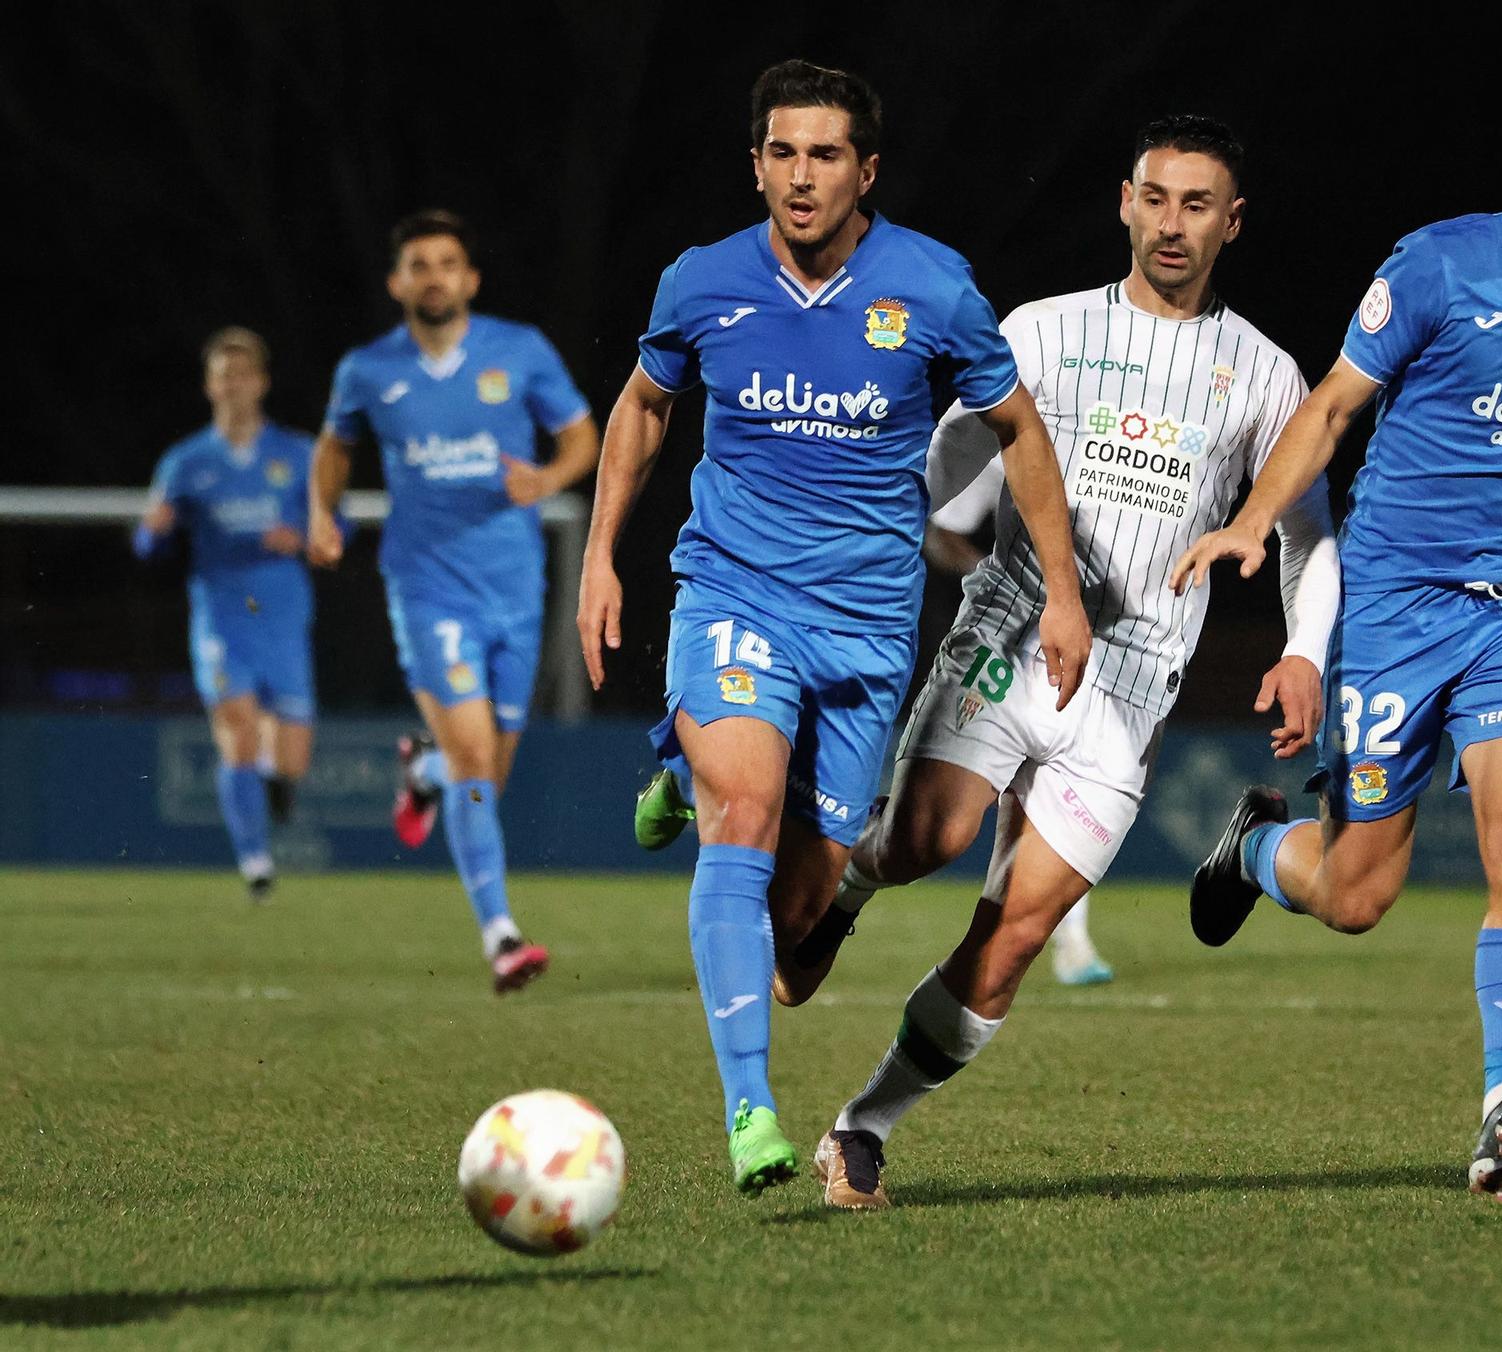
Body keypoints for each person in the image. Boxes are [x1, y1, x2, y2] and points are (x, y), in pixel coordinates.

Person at [798, 116, 1340, 1211]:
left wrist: (1300, 652)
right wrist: (915, 511)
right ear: (1124, 203)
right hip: (1006, 628)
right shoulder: (1042, 331)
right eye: (1155, 197)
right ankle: (853, 879)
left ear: (1229, 223)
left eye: (1197, 205)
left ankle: (862, 1126)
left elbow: (1305, 534)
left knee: (1010, 943)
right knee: (923, 841)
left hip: (1130, 690)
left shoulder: (1266, 375)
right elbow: (956, 441)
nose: (1171, 222)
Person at [576, 59, 1088, 1198]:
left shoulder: (935, 290)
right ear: (754, 163)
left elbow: (1021, 432)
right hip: (735, 592)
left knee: (798, 922)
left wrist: (1061, 586)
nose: (800, 178)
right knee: (742, 815)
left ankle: (677, 753)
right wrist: (600, 554)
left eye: (823, 155)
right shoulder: (702, 282)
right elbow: (647, 405)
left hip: (863, 628)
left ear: (865, 170)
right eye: (780, 153)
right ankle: (750, 1107)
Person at [1170, 50, 1502, 1201]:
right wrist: (1252, 522)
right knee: (1356, 894)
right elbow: (1331, 405)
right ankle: (1252, 845)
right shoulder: (1437, 263)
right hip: (1398, 605)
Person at [307, 210, 601, 994]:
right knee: (478, 762)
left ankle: (425, 771)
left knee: (484, 776)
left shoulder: (520, 350)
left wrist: (544, 480)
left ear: (469, 279)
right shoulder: (368, 370)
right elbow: (334, 448)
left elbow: (583, 434)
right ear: (398, 282)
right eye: (418, 264)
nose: (433, 276)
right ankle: (502, 935)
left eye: (447, 263)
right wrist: (320, 515)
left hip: (515, 586)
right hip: (426, 586)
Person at [135, 327, 317, 900]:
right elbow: (148, 545)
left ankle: (277, 782)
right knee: (235, 730)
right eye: (223, 375)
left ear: (261, 383)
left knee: (291, 758)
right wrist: (152, 532)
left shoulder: (298, 453)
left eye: (243, 374)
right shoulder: (185, 462)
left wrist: (306, 539)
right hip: (220, 612)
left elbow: (335, 531)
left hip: (283, 611)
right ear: (209, 386)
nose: (233, 385)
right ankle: (256, 863)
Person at [924, 456, 1113, 987]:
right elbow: (940, 533)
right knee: (940, 818)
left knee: (1064, 779)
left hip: (1083, 641)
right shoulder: (1004, 427)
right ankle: (863, 862)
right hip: (997, 635)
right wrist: (994, 577)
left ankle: (1070, 942)